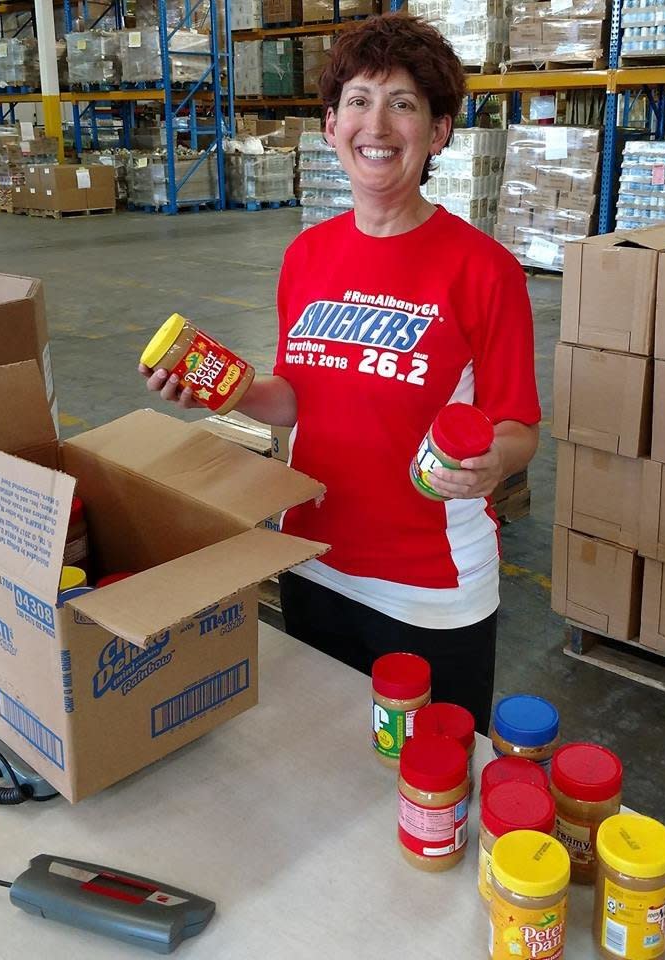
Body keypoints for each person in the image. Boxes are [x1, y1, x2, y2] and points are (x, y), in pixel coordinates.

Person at [140, 13, 540, 733]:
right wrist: (220, 388)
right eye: (357, 100)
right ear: (330, 126)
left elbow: (517, 427)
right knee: (320, 768)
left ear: (438, 132)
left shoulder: (484, 270)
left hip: (431, 588)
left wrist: (490, 466)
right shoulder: (308, 256)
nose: (376, 122)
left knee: (427, 782)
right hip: (314, 561)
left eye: (404, 103)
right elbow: (297, 401)